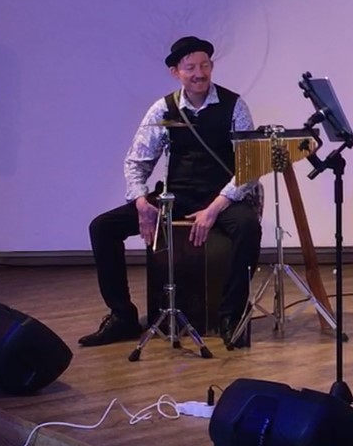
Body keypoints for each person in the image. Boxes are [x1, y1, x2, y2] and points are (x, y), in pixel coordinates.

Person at [80, 36, 263, 349]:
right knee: (103, 227)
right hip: (178, 196)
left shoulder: (234, 105)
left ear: (212, 66)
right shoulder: (163, 109)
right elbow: (137, 160)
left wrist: (215, 208)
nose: (199, 73)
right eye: (190, 67)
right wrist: (141, 201)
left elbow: (248, 167)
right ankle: (122, 316)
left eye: (204, 65)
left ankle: (231, 316)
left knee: (248, 228)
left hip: (222, 197)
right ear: (175, 72)